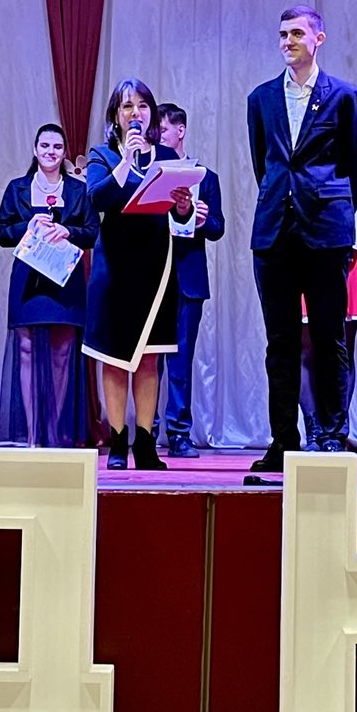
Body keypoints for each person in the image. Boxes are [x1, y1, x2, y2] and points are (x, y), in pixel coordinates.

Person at [246, 5, 357, 472]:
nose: (288, 41)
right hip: (274, 233)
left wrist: (324, 201)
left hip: (325, 233)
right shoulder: (261, 98)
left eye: (297, 33)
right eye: (283, 34)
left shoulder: (345, 96)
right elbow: (263, 162)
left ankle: (332, 435)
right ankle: (283, 441)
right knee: (279, 342)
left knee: (328, 337)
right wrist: (286, 199)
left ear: (319, 38)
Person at [84, 79, 203, 470]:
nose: (135, 113)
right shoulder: (102, 154)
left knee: (150, 359)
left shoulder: (167, 155)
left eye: (142, 106)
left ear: (151, 112)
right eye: (126, 106)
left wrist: (183, 207)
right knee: (115, 358)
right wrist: (125, 160)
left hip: (157, 266)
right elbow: (98, 198)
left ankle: (146, 442)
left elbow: (180, 215)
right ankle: (118, 442)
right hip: (115, 269)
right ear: (115, 115)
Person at [0, 124, 98, 448]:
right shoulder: (18, 188)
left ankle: (52, 431)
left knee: (62, 352)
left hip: (65, 279)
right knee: (26, 350)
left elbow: (93, 232)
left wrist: (68, 232)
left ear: (64, 153)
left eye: (57, 147)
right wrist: (27, 226)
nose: (50, 152)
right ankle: (32, 434)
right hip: (28, 279)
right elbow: (1, 232)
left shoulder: (78, 190)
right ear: (35, 149)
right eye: (45, 146)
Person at [155, 103, 223, 458]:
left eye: (163, 130)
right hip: (152, 277)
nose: (157, 136)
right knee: (149, 362)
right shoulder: (148, 175)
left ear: (180, 130)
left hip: (188, 279)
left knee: (181, 361)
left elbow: (218, 227)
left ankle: (179, 432)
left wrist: (202, 220)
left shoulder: (205, 177)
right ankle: (146, 431)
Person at [299, 173, 357, 449]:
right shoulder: (300, 163)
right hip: (307, 256)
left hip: (348, 260)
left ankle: (336, 430)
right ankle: (313, 429)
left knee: (341, 349)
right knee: (305, 350)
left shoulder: (356, 163)